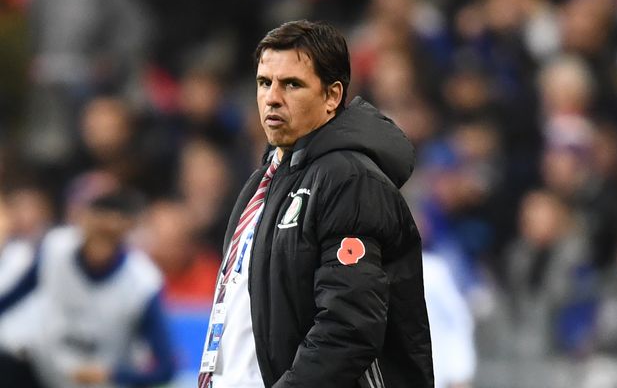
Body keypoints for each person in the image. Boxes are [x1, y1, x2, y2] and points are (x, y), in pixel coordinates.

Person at [197, 20, 433, 388]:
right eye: (264, 83)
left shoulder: (349, 181)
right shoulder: (262, 182)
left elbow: (349, 327)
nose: (272, 97)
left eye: (292, 84)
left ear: (332, 96)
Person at [0, 190, 175, 388]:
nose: (100, 244)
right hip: (46, 371)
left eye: (109, 235)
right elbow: (14, 296)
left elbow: (165, 369)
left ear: (127, 230)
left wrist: (114, 374)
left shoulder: (143, 284)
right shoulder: (56, 249)